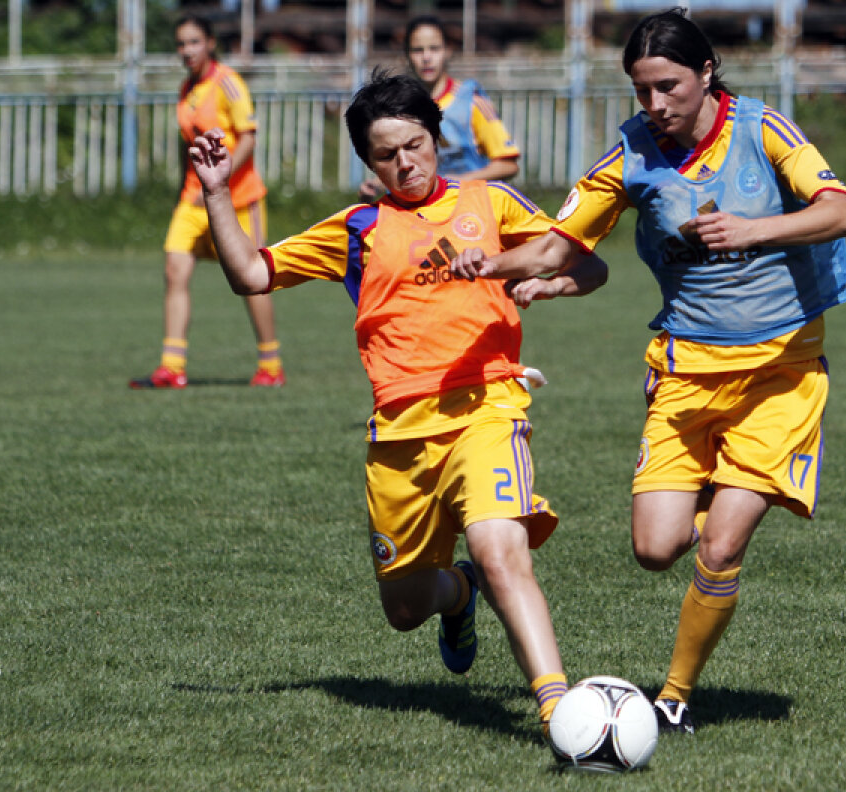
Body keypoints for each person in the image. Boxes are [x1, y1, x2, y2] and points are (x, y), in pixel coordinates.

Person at [449, 7, 846, 734]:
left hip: (779, 374)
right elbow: (556, 246)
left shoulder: (763, 130)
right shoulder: (632, 154)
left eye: (668, 86)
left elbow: (843, 209)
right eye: (641, 91)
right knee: (653, 549)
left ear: (707, 73)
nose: (655, 106)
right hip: (683, 372)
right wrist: (495, 264)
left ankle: (673, 696)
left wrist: (753, 230)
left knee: (722, 543)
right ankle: (721, 490)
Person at [187, 69, 607, 738]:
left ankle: (560, 710)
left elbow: (587, 263)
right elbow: (251, 274)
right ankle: (457, 594)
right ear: (367, 161)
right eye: (386, 154)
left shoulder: (491, 203)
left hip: (487, 407)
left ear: (436, 137)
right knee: (406, 609)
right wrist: (215, 194)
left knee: (501, 550)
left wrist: (548, 285)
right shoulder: (358, 227)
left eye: (414, 144)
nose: (404, 163)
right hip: (400, 436)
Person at [130, 14, 284, 390]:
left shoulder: (228, 83)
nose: (187, 51)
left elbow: (248, 138)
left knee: (254, 278)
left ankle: (271, 365)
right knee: (174, 271)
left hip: (238, 199)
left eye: (194, 42)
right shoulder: (187, 88)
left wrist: (220, 181)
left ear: (211, 43)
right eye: (181, 44)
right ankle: (172, 366)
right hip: (192, 198)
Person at [357, 15, 520, 201]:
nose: (426, 57)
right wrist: (377, 185)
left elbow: (508, 165)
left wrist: (457, 183)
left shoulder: (470, 101)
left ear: (448, 51)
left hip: (472, 209)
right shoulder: (399, 108)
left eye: (434, 49)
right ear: (407, 55)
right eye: (418, 50)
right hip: (424, 213)